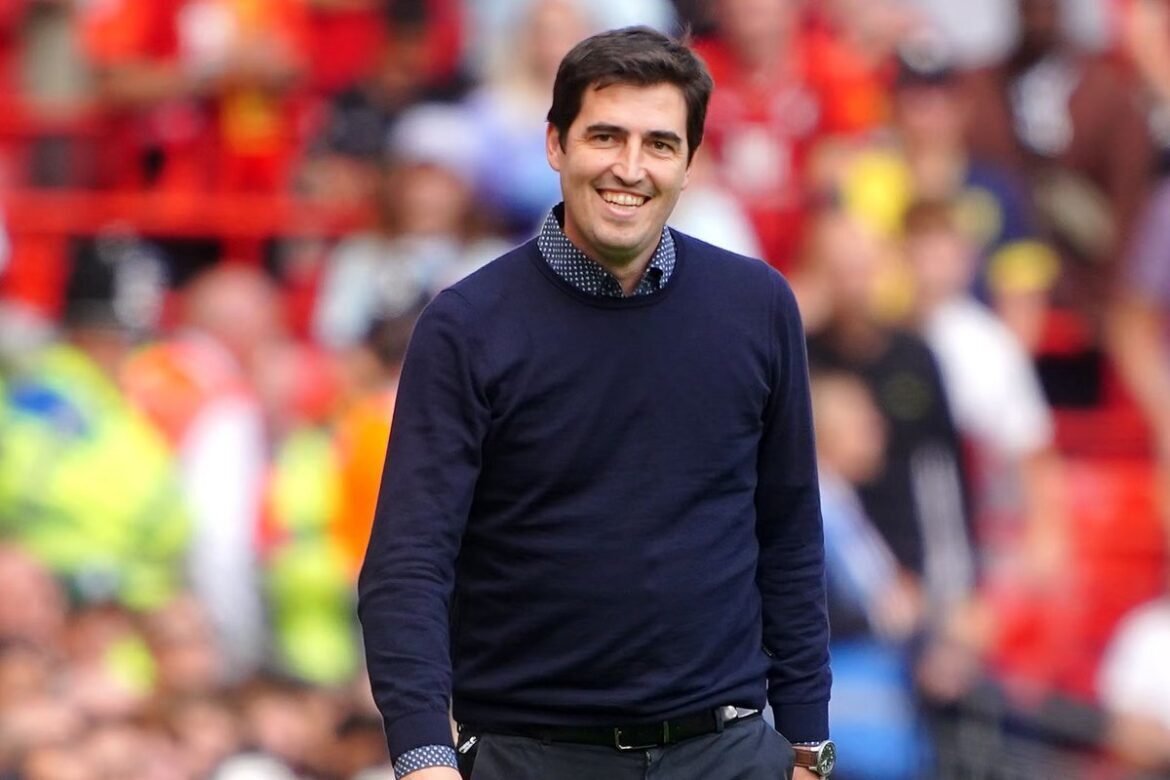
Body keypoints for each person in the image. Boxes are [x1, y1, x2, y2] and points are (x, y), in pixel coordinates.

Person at [358, 26, 833, 780]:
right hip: (529, 756)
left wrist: (809, 746)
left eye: (660, 144)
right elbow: (408, 564)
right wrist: (423, 759)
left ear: (690, 164)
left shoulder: (759, 307)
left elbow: (791, 537)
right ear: (556, 144)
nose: (630, 168)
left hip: (728, 754)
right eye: (605, 136)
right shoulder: (466, 325)